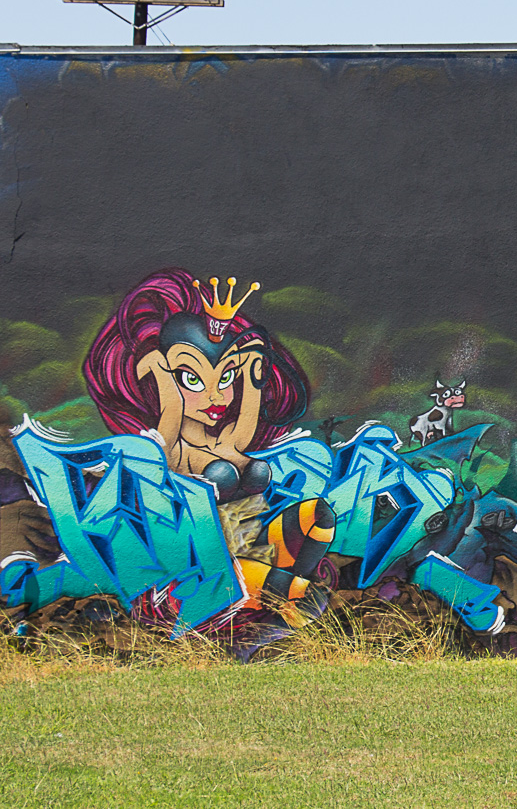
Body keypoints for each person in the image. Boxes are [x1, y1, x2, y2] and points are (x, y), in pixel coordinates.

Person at [83, 267, 333, 625]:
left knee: (319, 515)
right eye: (192, 378)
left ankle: (280, 597)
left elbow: (247, 421)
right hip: (212, 567)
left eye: (225, 377)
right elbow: (166, 434)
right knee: (304, 596)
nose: (217, 396)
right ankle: (266, 620)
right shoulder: (170, 449)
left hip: (256, 548)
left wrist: (251, 369)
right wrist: (164, 379)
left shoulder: (226, 438)